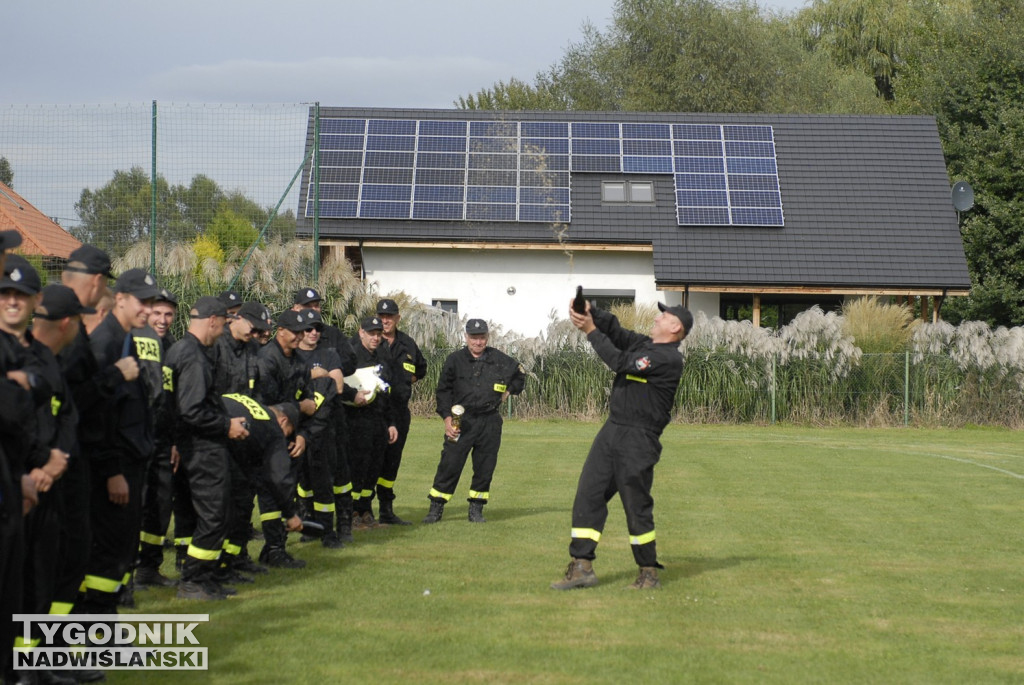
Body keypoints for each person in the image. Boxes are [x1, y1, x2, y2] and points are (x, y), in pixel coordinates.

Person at [550, 300, 692, 591]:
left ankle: (648, 572)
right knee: (589, 493)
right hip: (612, 430)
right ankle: (581, 567)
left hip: (639, 439)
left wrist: (590, 331)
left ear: (675, 327)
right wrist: (591, 312)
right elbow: (616, 331)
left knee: (635, 505)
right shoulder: (644, 344)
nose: (656, 317)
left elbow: (619, 361)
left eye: (663, 315)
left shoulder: (668, 359)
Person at [77, 268, 158, 617]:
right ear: (120, 300)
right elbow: (97, 416)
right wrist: (112, 470)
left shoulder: (127, 339)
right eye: (142, 301)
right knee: (108, 552)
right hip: (116, 466)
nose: (148, 310)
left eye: (152, 302)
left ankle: (103, 628)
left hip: (131, 461)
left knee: (121, 551)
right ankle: (97, 632)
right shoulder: (106, 344)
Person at [164, 296, 250, 600]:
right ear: (212, 320)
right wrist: (227, 426)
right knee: (215, 515)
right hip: (202, 448)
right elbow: (192, 410)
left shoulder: (179, 350)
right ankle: (194, 581)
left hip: (187, 445)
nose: (224, 331)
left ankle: (205, 577)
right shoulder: (195, 357)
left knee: (197, 515)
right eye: (224, 324)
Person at [423, 318, 525, 524]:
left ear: (487, 337)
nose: (478, 342)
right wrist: (447, 419)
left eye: (482, 338)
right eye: (474, 338)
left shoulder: (499, 359)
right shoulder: (454, 360)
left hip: (489, 421)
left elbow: (520, 376)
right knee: (450, 464)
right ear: (466, 337)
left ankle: (476, 510)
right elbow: (443, 391)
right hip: (462, 420)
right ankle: (436, 508)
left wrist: (509, 391)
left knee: (485, 467)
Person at [255, 309, 316, 568]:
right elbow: (265, 406)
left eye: (303, 332)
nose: (301, 337)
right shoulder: (266, 359)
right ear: (280, 331)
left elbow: (311, 403)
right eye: (296, 332)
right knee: (270, 493)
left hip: (293, 438)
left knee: (286, 490)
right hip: (269, 437)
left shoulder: (301, 362)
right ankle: (275, 548)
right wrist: (294, 408)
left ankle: (273, 549)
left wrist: (302, 435)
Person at [136, 288, 180, 588]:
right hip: (137, 438)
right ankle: (124, 574)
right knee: (135, 504)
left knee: (161, 503)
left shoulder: (174, 347)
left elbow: (175, 399)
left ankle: (149, 568)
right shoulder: (134, 343)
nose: (163, 320)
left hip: (165, 440)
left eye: (168, 314)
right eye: (157, 313)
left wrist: (176, 440)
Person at [375, 298, 427, 525]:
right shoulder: (369, 340)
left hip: (399, 411)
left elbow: (421, 369)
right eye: (382, 317)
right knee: (371, 461)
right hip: (374, 412)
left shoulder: (407, 343)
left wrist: (405, 383)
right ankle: (362, 512)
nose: (385, 321)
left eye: (389, 317)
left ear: (397, 318)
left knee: (392, 461)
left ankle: (386, 511)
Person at [345, 316, 398, 529]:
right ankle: (350, 512)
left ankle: (366, 510)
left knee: (373, 468)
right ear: (361, 332)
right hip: (355, 420)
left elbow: (387, 391)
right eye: (371, 333)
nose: (375, 337)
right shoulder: (349, 355)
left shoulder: (382, 356)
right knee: (356, 468)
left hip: (378, 421)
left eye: (378, 333)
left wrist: (391, 422)